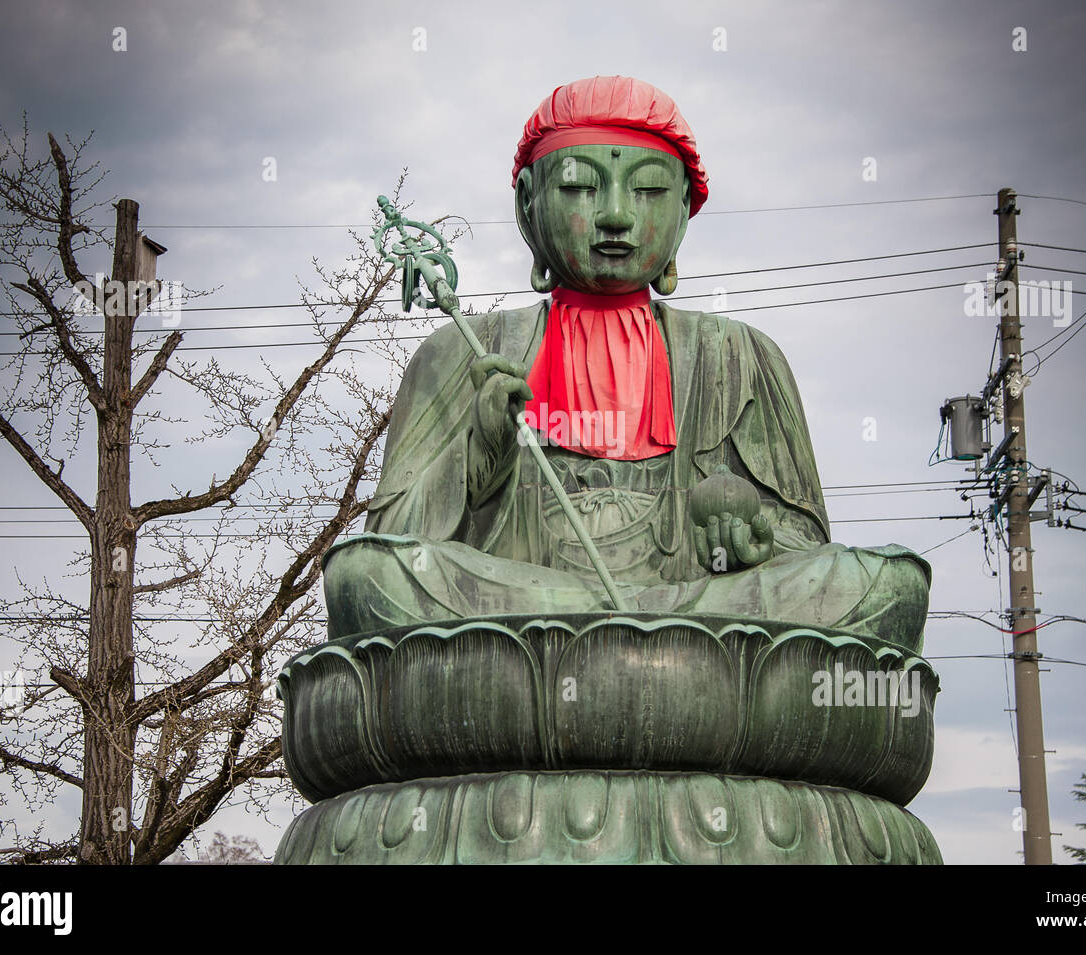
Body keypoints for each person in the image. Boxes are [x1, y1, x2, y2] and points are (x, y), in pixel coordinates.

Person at [323, 75, 931, 652]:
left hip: (698, 605)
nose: (616, 214)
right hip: (522, 604)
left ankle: (632, 651)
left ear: (684, 212)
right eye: (580, 187)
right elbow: (396, 540)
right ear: (528, 207)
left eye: (647, 189)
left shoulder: (740, 357)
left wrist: (746, 532)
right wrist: (482, 449)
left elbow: (800, 549)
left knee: (876, 585)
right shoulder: (465, 351)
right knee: (367, 577)